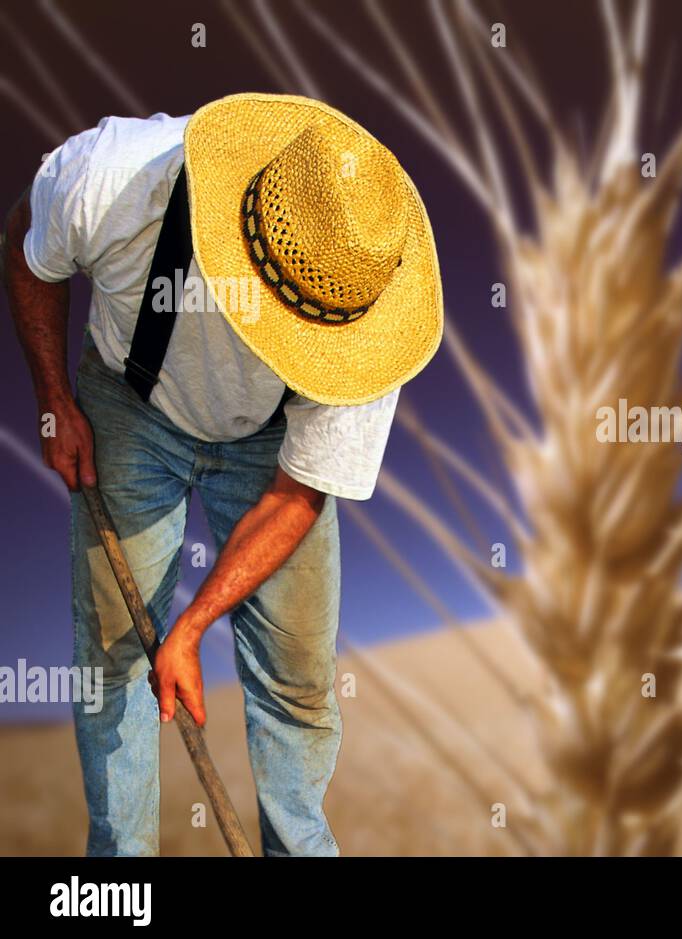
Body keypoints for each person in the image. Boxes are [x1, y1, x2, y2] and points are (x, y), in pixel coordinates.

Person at [2, 93, 443, 856]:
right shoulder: (110, 177)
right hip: (130, 403)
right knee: (115, 654)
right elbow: (25, 246)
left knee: (300, 679)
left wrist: (194, 625)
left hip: (272, 450)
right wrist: (53, 402)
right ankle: (121, 876)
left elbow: (298, 491)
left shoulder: (370, 294)